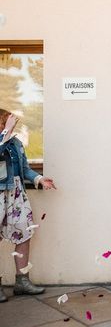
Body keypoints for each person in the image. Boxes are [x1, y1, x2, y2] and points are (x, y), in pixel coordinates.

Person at [0, 109, 56, 303]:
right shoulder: (5, 139)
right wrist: (5, 133)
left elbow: (24, 169)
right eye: (8, 121)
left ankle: (22, 281)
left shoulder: (15, 143)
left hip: (16, 194)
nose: (13, 125)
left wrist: (40, 178)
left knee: (24, 233)